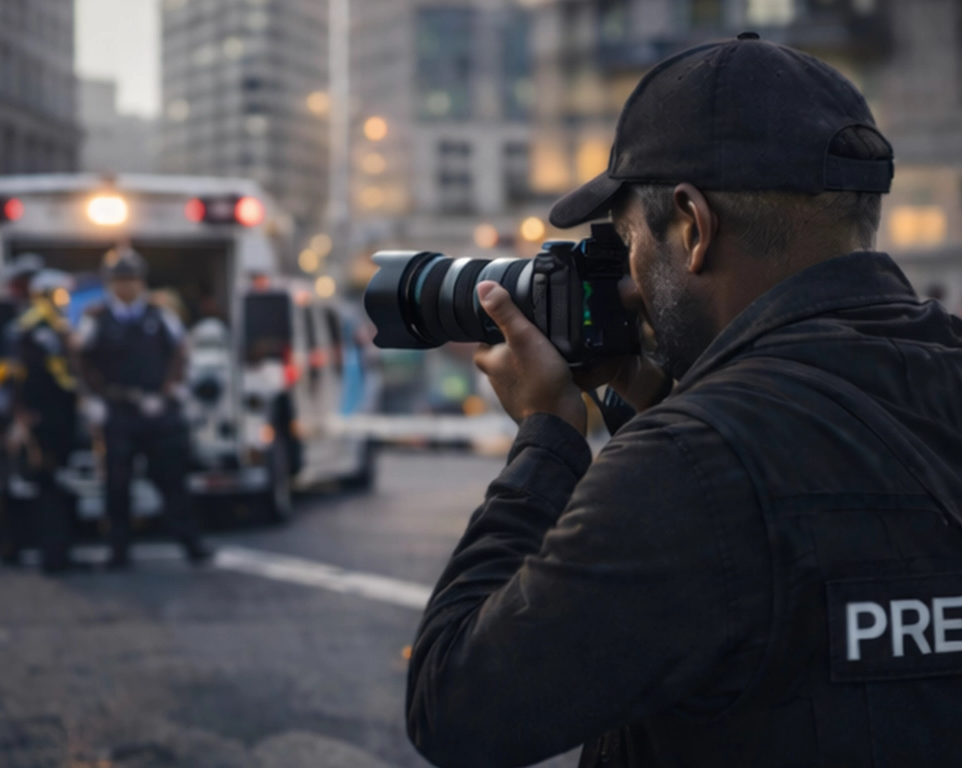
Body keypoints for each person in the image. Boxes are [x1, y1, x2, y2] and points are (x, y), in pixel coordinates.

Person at [405, 34, 962, 768]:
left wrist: (546, 433)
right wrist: (656, 394)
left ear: (693, 227)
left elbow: (455, 707)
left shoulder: (691, 464)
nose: (629, 283)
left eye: (630, 241)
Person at [77, 247, 211, 568]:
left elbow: (180, 352)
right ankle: (118, 550)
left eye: (133, 279)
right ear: (110, 284)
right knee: (117, 484)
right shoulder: (97, 318)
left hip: (157, 409)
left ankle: (190, 542)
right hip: (119, 409)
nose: (127, 287)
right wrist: (93, 399)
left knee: (172, 479)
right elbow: (80, 360)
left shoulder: (159, 314)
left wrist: (171, 391)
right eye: (121, 280)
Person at [7, 269, 80, 573]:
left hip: (50, 415)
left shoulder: (47, 325)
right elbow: (47, 376)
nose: (64, 301)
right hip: (45, 418)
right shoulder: (38, 328)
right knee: (47, 485)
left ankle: (48, 551)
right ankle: (52, 556)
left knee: (50, 484)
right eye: (59, 294)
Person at [0, 252, 47, 564]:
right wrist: (17, 416)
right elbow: (11, 372)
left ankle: (30, 543)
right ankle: (11, 546)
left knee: (34, 482)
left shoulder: (39, 319)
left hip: (34, 410)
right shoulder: (15, 324)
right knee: (14, 483)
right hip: (16, 411)